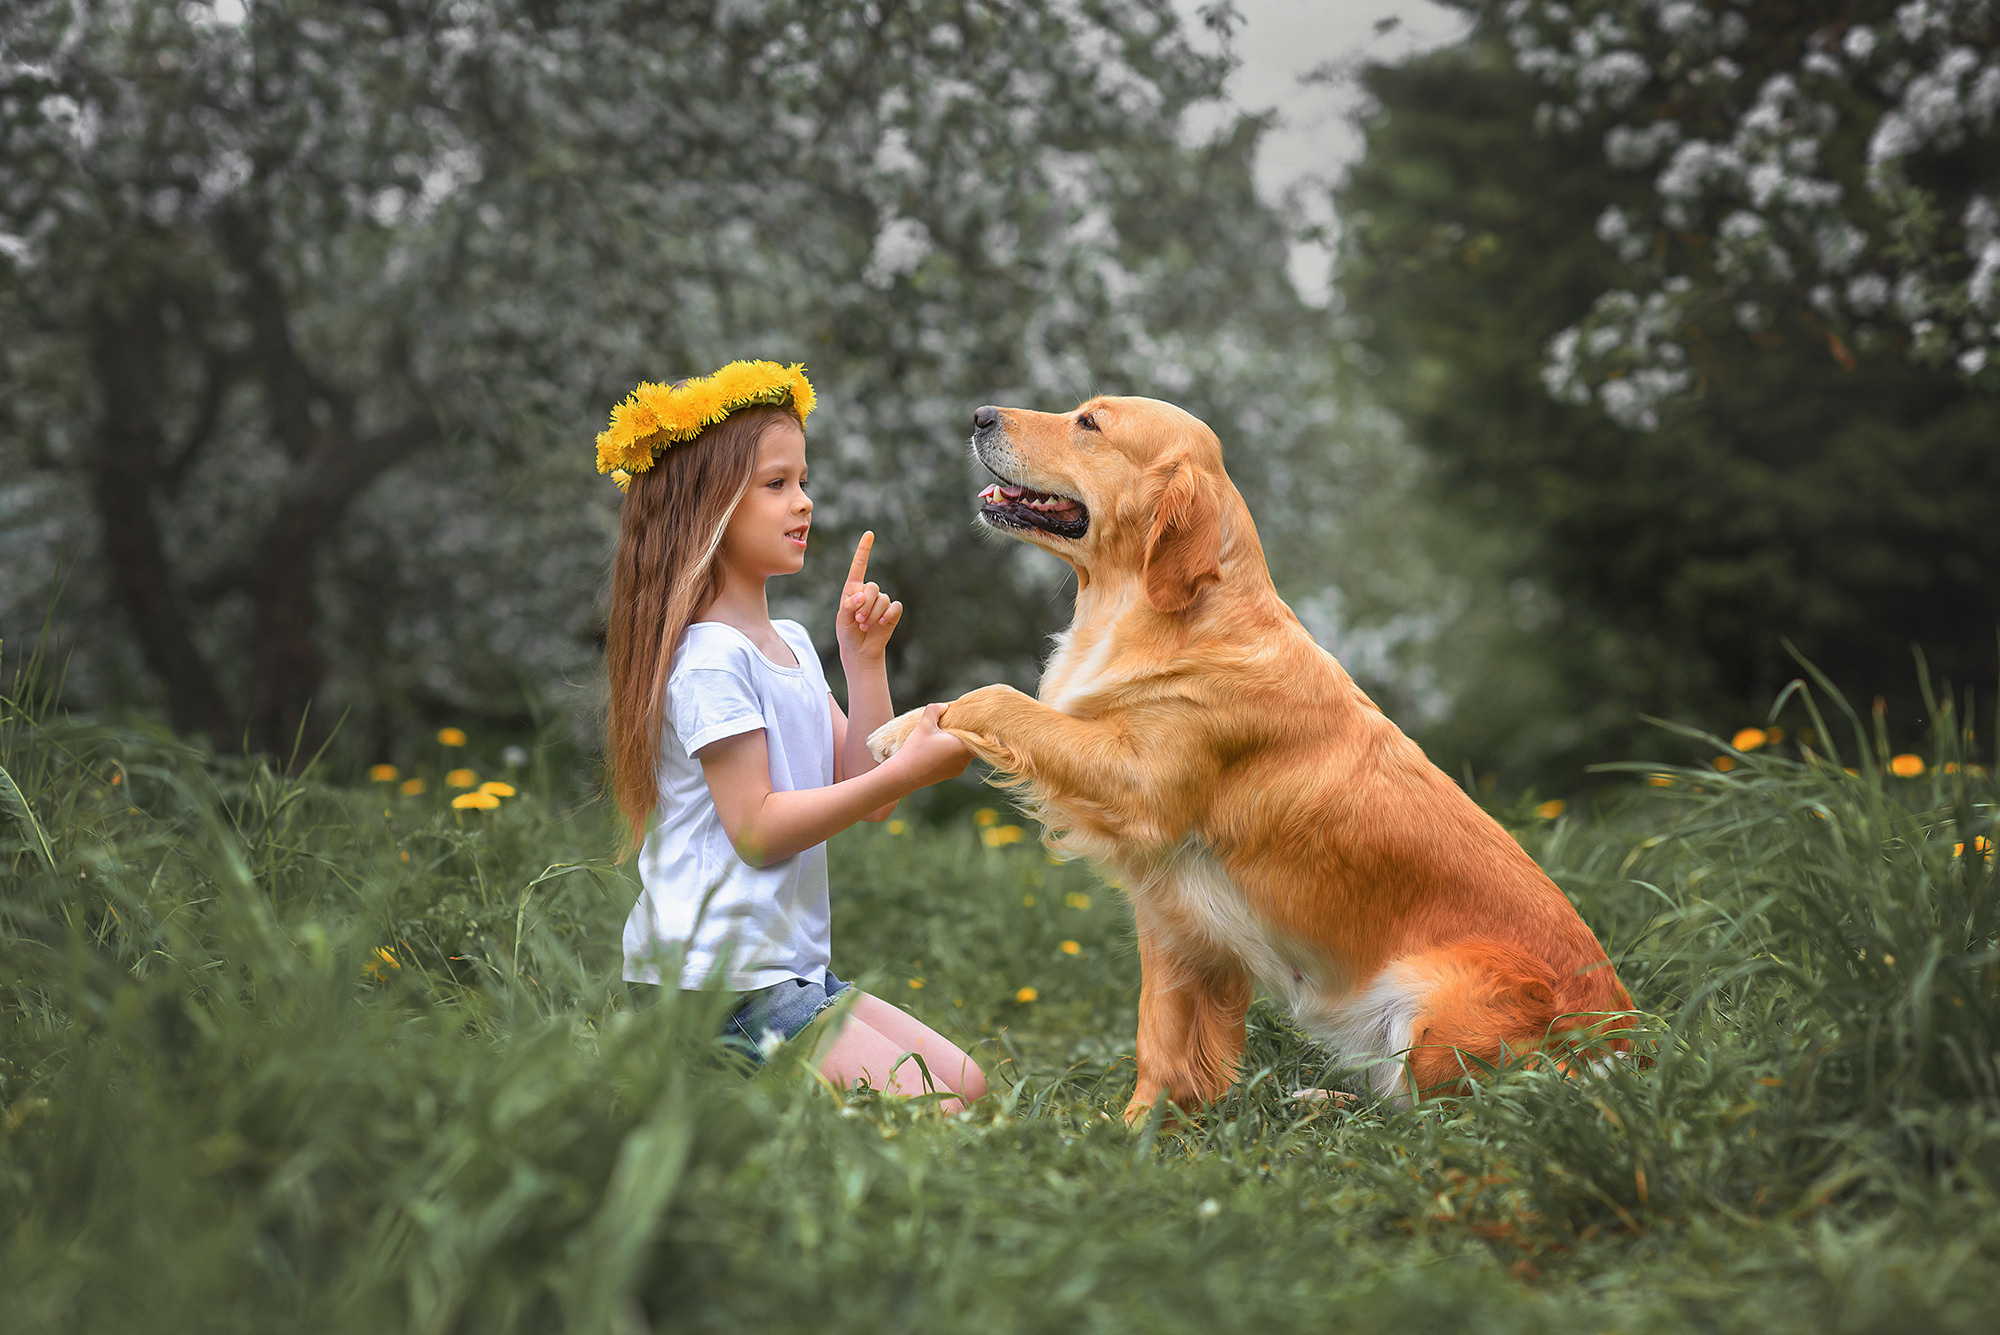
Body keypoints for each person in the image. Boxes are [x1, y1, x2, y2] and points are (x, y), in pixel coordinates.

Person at [597, 360, 986, 1110]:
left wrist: (862, 660)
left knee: (966, 1083)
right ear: (707, 506)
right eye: (777, 484)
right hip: (713, 985)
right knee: (942, 1108)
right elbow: (758, 829)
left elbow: (861, 792)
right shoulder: (711, 658)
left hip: (781, 972)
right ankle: (701, 1079)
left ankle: (729, 1092)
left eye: (803, 481)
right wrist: (907, 772)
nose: (804, 503)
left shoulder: (793, 644)